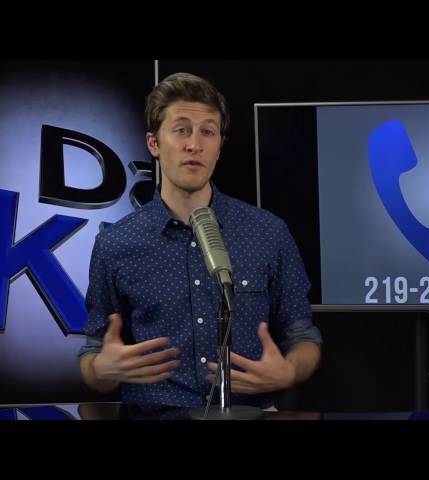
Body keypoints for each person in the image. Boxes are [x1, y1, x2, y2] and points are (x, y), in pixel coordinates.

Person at [78, 72, 322, 409]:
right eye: (181, 130)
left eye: (207, 132)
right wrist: (101, 370)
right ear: (154, 144)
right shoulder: (116, 244)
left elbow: (303, 337)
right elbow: (93, 355)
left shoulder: (268, 233)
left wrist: (289, 372)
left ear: (219, 146)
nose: (194, 144)